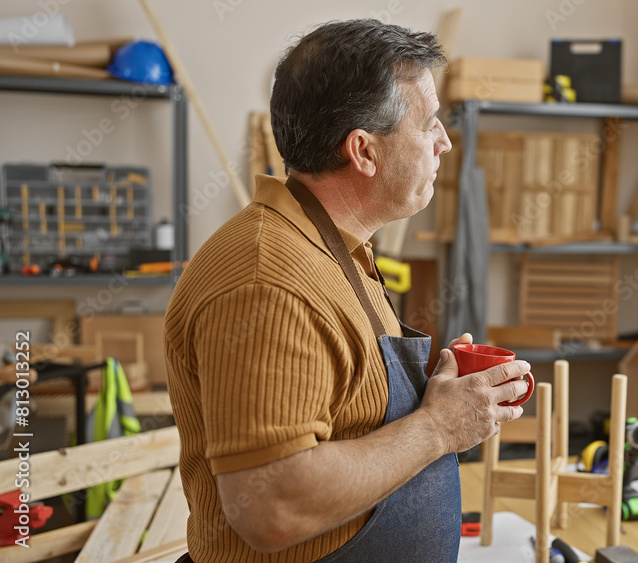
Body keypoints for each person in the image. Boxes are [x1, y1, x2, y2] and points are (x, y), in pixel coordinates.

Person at [164, 19, 529, 562]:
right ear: (363, 151)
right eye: (428, 123)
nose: (445, 142)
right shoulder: (270, 281)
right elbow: (271, 507)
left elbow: (343, 412)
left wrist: (435, 398)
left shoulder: (336, 250)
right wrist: (436, 428)